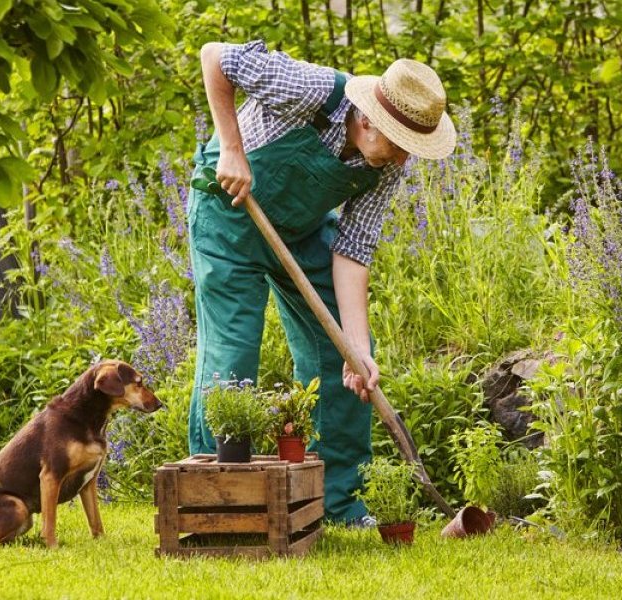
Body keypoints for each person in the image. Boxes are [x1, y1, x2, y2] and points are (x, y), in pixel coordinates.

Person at [188, 40, 455, 524]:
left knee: (348, 358)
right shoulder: (313, 89)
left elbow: (353, 250)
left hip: (300, 230)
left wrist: (356, 347)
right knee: (233, 359)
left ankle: (334, 500)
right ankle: (217, 498)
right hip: (228, 214)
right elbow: (214, 56)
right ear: (369, 120)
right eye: (398, 145)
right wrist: (231, 149)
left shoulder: (385, 168)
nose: (400, 161)